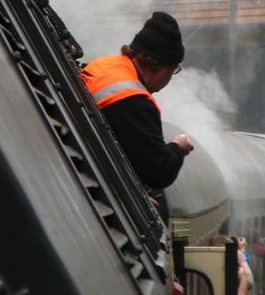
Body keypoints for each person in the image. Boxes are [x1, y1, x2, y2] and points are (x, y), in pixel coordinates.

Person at [81, 12, 194, 220]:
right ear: (161, 67)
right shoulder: (134, 101)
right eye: (174, 70)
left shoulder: (102, 66)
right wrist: (178, 148)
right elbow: (158, 171)